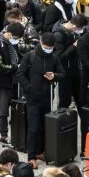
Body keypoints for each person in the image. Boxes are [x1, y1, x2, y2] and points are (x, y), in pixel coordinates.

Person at [17, 33, 64, 169]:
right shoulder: (30, 56)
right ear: (41, 43)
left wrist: (54, 76)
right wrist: (28, 88)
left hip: (47, 97)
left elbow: (62, 73)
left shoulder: (54, 58)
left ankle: (41, 151)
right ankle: (31, 157)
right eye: (45, 47)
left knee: (46, 125)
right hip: (32, 98)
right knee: (33, 127)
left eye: (50, 47)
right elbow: (20, 74)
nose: (48, 49)